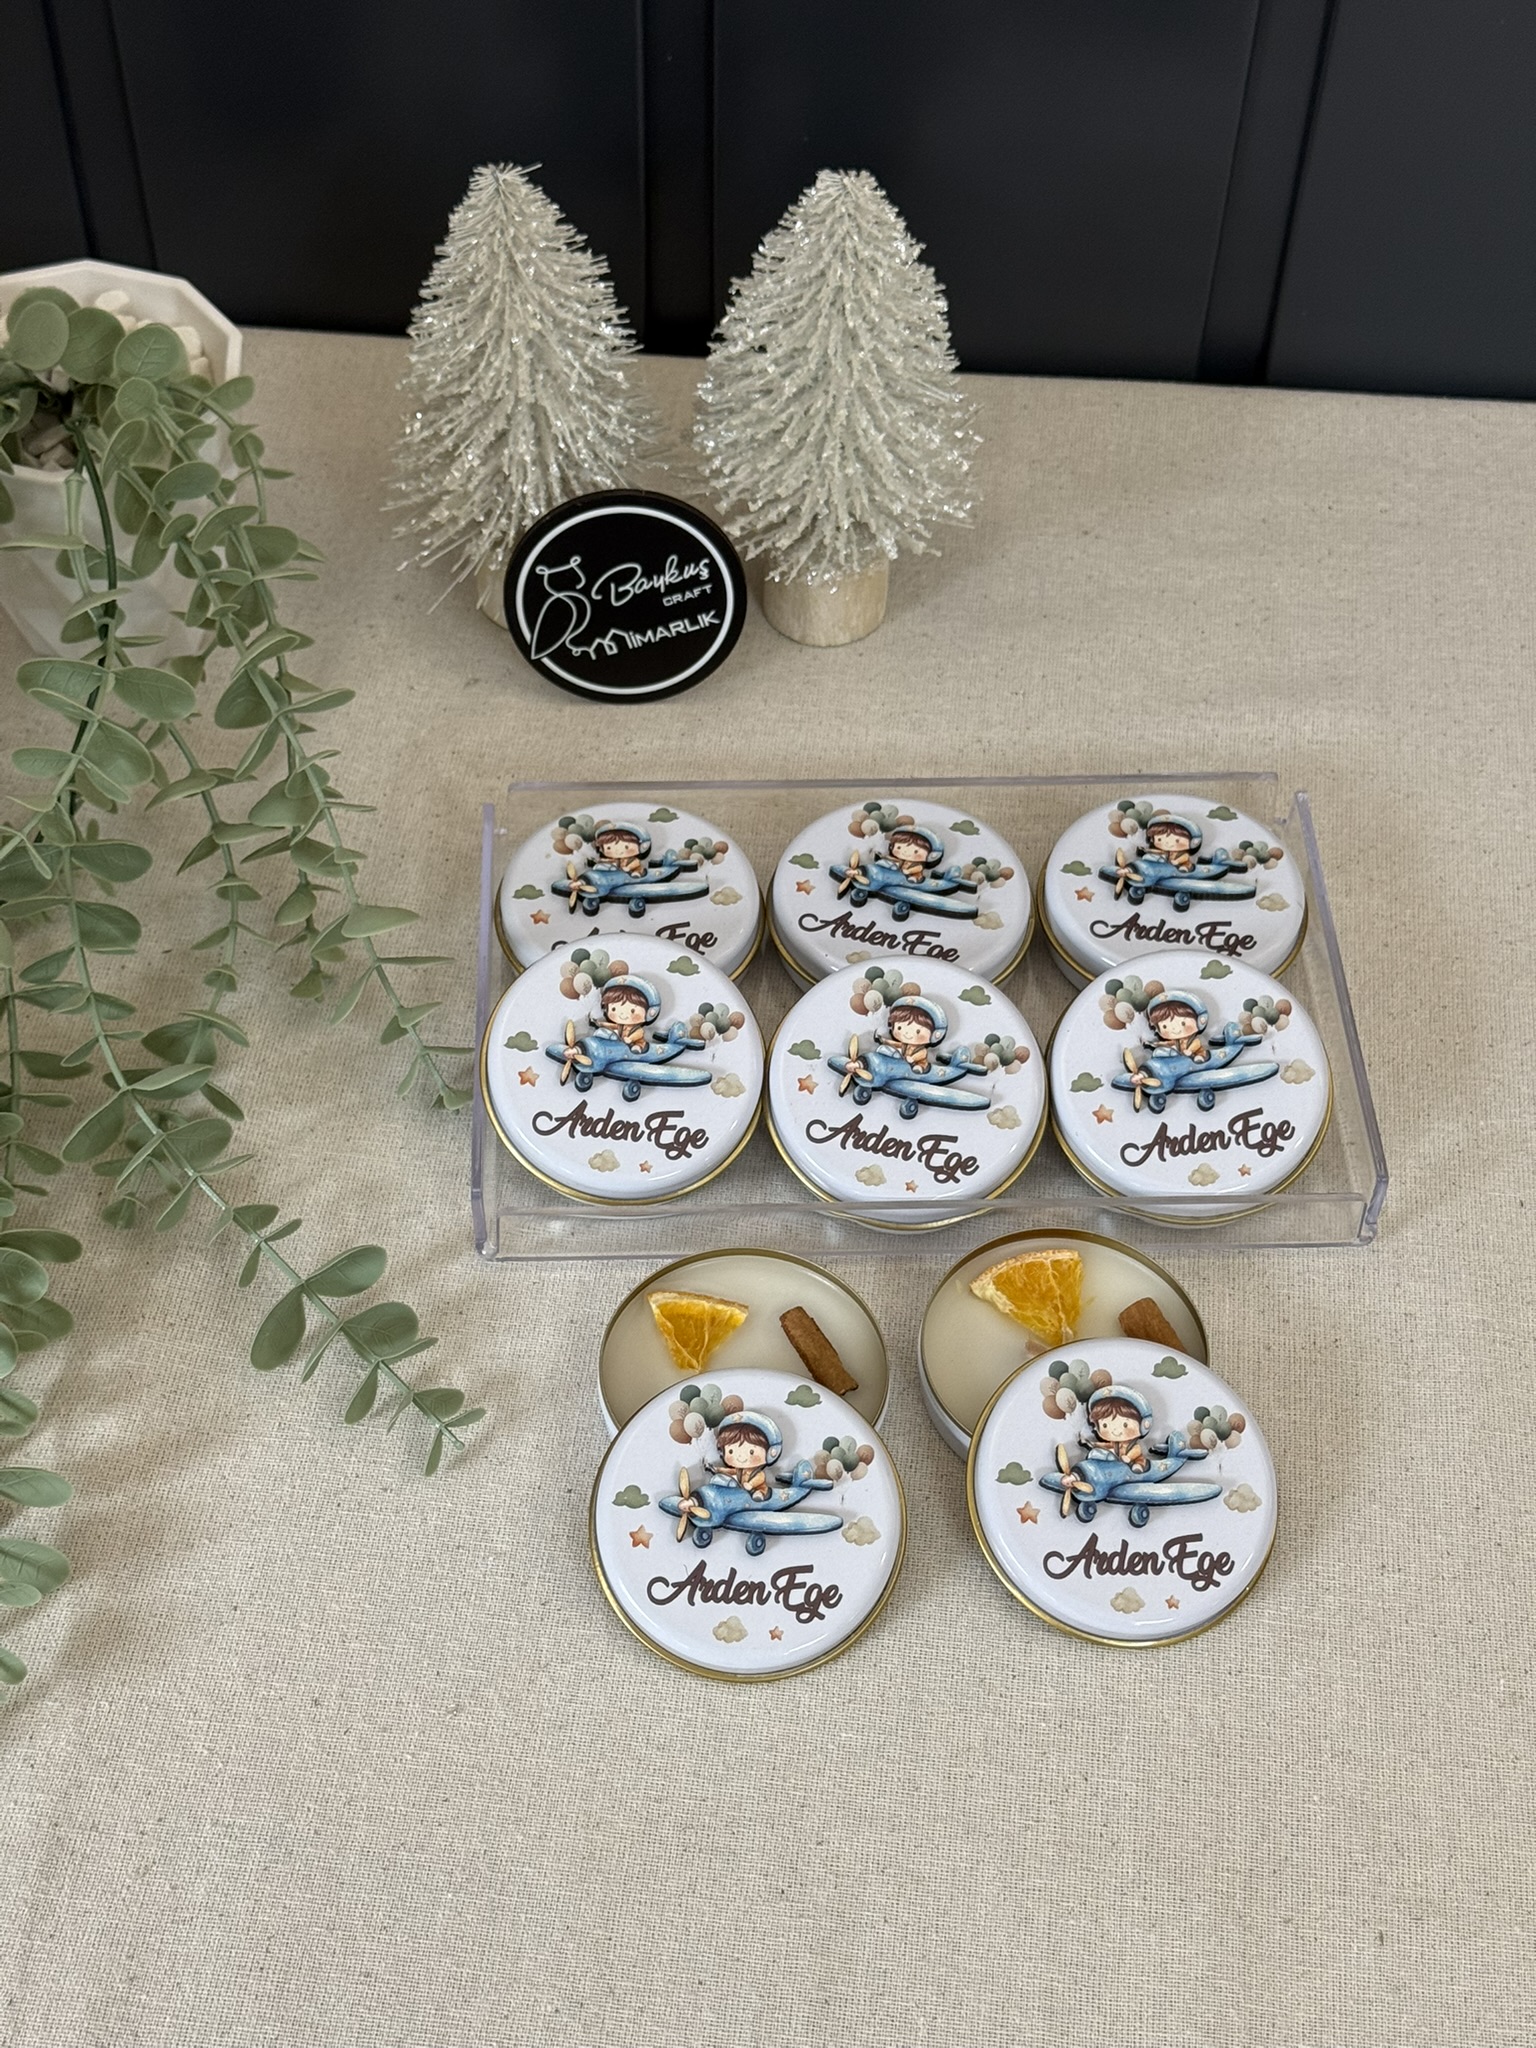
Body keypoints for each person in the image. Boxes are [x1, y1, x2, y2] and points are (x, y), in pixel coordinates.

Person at [707, 1414, 779, 1501]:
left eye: (751, 1452)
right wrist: (717, 1469)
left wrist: (751, 1485)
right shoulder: (740, 1470)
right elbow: (730, 1471)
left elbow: (759, 1479)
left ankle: (759, 1495)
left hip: (757, 1489)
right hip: (744, 1491)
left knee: (759, 1492)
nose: (741, 1456)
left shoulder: (758, 1473)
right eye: (731, 1451)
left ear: (770, 1453)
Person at [879, 996, 948, 1075]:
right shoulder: (905, 1045)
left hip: (917, 1063)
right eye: (899, 1027)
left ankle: (918, 1069)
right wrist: (884, 1041)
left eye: (918, 1031)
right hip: (905, 1063)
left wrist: (912, 1058)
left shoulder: (922, 1050)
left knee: (919, 1066)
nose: (907, 1033)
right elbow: (897, 1044)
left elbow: (920, 1055)